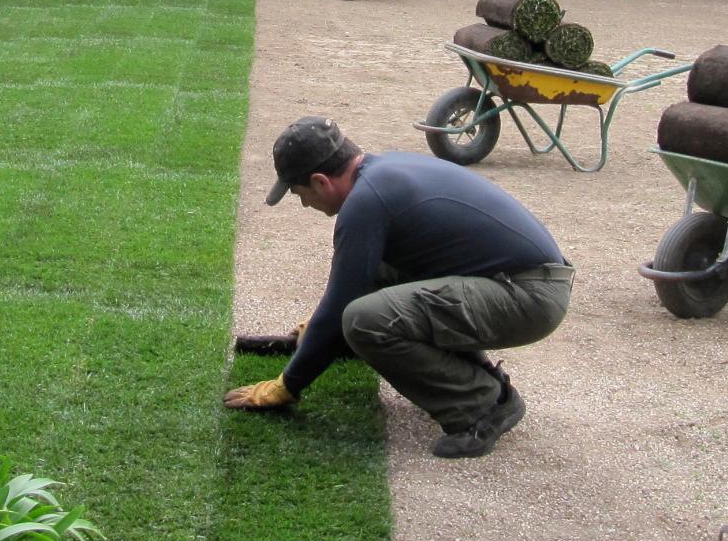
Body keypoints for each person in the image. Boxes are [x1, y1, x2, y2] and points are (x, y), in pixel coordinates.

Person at [225, 115, 575, 458]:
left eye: (300, 194)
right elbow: (354, 282)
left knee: (363, 321)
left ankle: (484, 405)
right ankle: (367, 350)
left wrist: (288, 384)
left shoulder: (365, 202)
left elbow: (341, 307)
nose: (304, 203)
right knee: (374, 277)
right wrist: (314, 335)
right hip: (524, 283)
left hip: (529, 297)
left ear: (320, 182)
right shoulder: (383, 171)